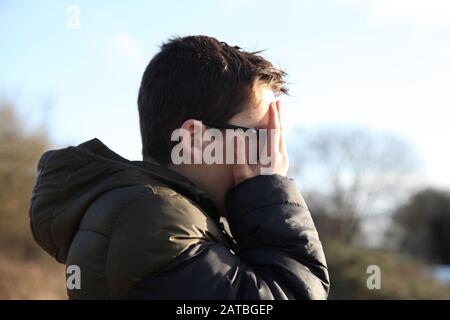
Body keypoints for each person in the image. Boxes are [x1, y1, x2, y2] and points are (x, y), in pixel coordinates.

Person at [29, 35, 330, 299]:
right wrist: (269, 195)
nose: (273, 155)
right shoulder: (155, 221)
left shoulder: (153, 214)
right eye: (259, 137)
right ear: (197, 141)